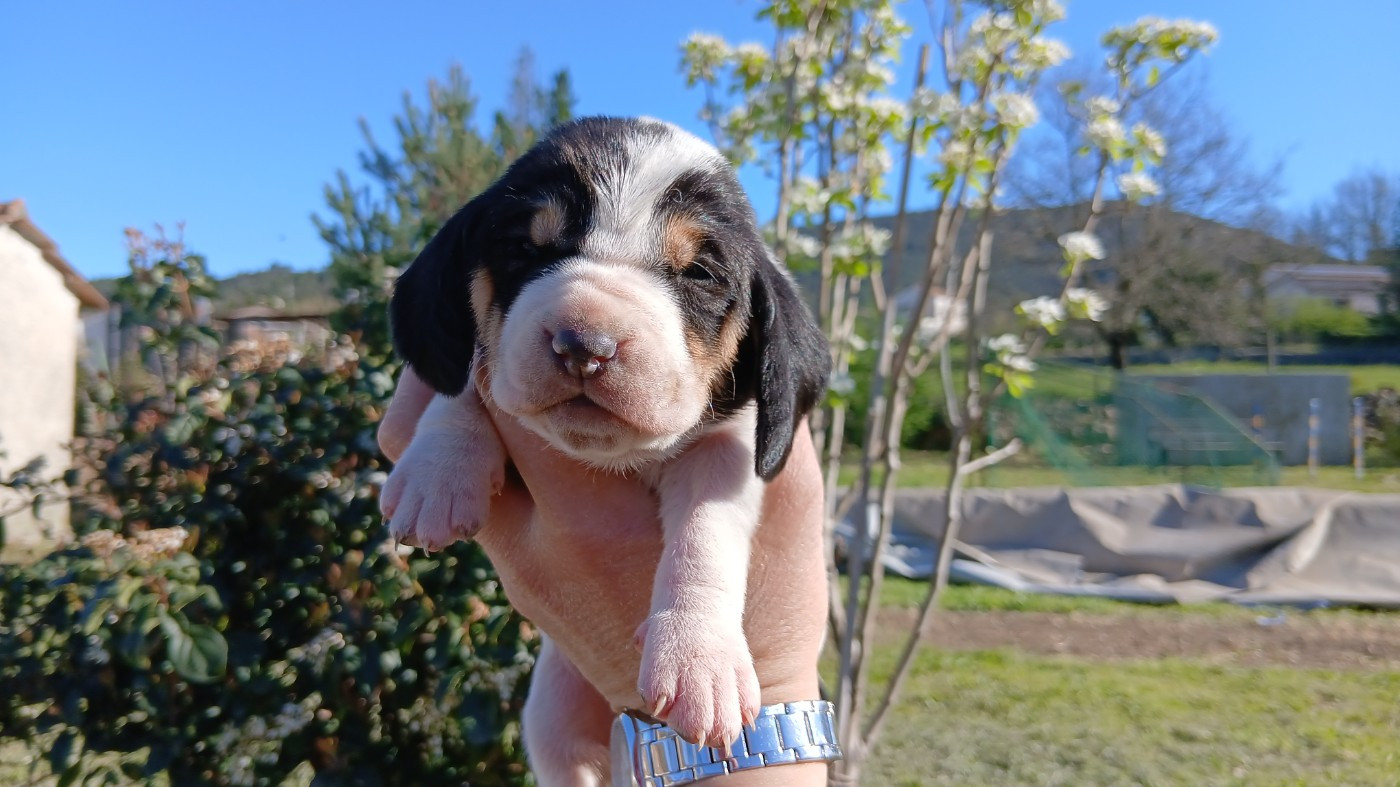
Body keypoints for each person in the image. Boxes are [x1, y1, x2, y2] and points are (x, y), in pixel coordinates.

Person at [378, 366, 830, 785]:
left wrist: (735, 641)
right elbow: (468, 376)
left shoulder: (725, 385)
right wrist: (452, 433)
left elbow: (727, 449)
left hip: (714, 617)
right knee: (558, 746)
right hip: (569, 662)